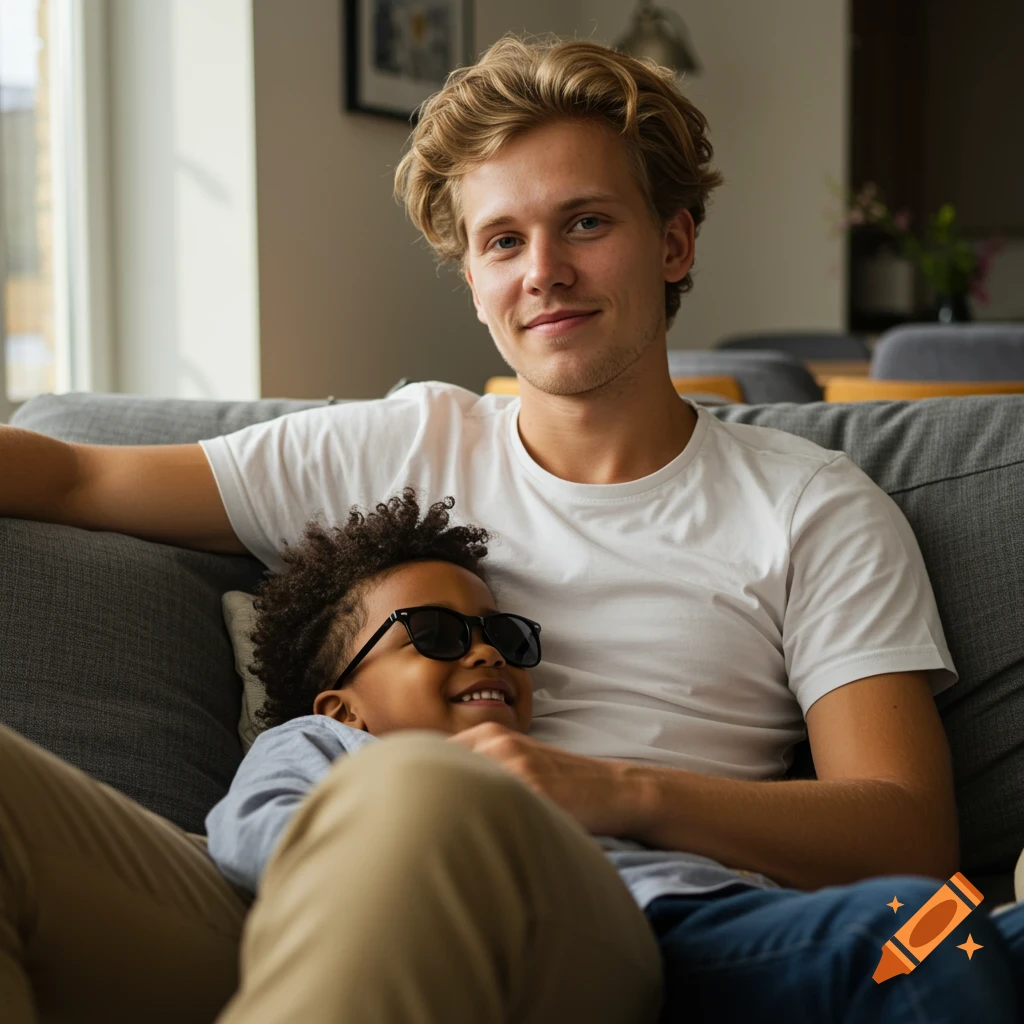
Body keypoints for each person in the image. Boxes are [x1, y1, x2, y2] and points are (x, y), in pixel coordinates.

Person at [1, 30, 1023, 1024]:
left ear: (673, 241)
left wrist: (610, 788)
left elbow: (906, 831)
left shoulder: (811, 506)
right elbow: (81, 475)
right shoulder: (396, 446)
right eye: (502, 240)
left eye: (585, 222)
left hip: (602, 923)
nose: (543, 271)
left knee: (423, 791)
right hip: (290, 895)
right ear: (474, 281)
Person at [204, 488, 662, 1023]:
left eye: (504, 637)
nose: (488, 652)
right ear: (343, 709)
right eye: (435, 634)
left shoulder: (555, 769)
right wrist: (399, 854)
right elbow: (250, 824)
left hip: (635, 917)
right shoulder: (323, 742)